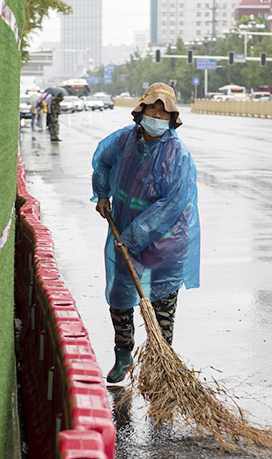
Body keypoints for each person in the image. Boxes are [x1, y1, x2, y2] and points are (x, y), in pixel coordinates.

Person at [90, 83, 200, 383]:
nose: (157, 115)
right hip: (123, 228)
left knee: (163, 305)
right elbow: (102, 160)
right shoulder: (125, 139)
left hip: (165, 242)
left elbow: (173, 203)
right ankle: (123, 355)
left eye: (163, 111)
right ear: (141, 111)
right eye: (152, 108)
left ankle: (159, 366)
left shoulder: (177, 153)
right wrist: (102, 194)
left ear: (172, 118)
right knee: (120, 297)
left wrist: (135, 235)